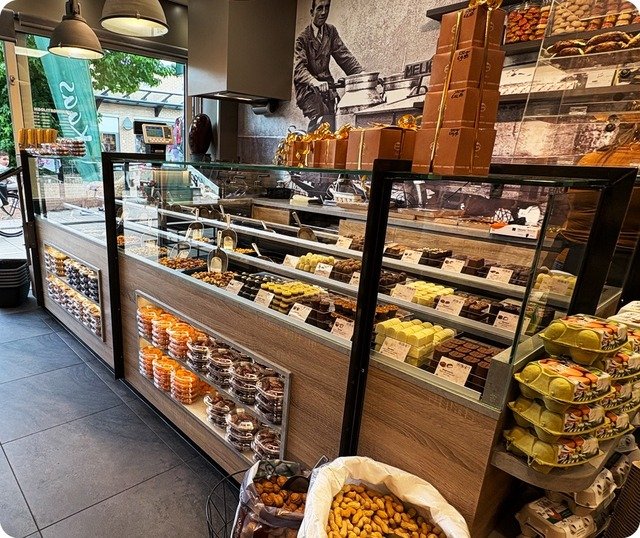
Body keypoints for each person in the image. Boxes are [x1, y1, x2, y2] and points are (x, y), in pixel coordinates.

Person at [293, 0, 363, 132]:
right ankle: (310, 143)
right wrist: (314, 82)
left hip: (328, 86)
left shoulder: (331, 31)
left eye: (327, 8)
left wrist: (362, 76)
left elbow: (344, 57)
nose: (324, 12)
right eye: (320, 8)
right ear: (312, 12)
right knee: (321, 118)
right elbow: (299, 69)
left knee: (339, 116)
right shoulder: (302, 39)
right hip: (307, 89)